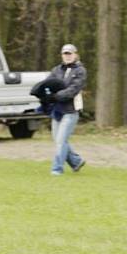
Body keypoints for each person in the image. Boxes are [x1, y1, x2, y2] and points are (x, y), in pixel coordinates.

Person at [45, 44, 87, 175]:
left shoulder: (80, 71)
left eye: (70, 53)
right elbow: (47, 84)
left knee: (61, 141)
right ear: (62, 55)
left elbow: (73, 90)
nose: (67, 56)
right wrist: (46, 95)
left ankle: (57, 169)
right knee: (58, 140)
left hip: (70, 111)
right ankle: (76, 161)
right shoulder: (56, 70)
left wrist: (55, 96)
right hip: (57, 111)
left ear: (75, 54)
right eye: (65, 54)